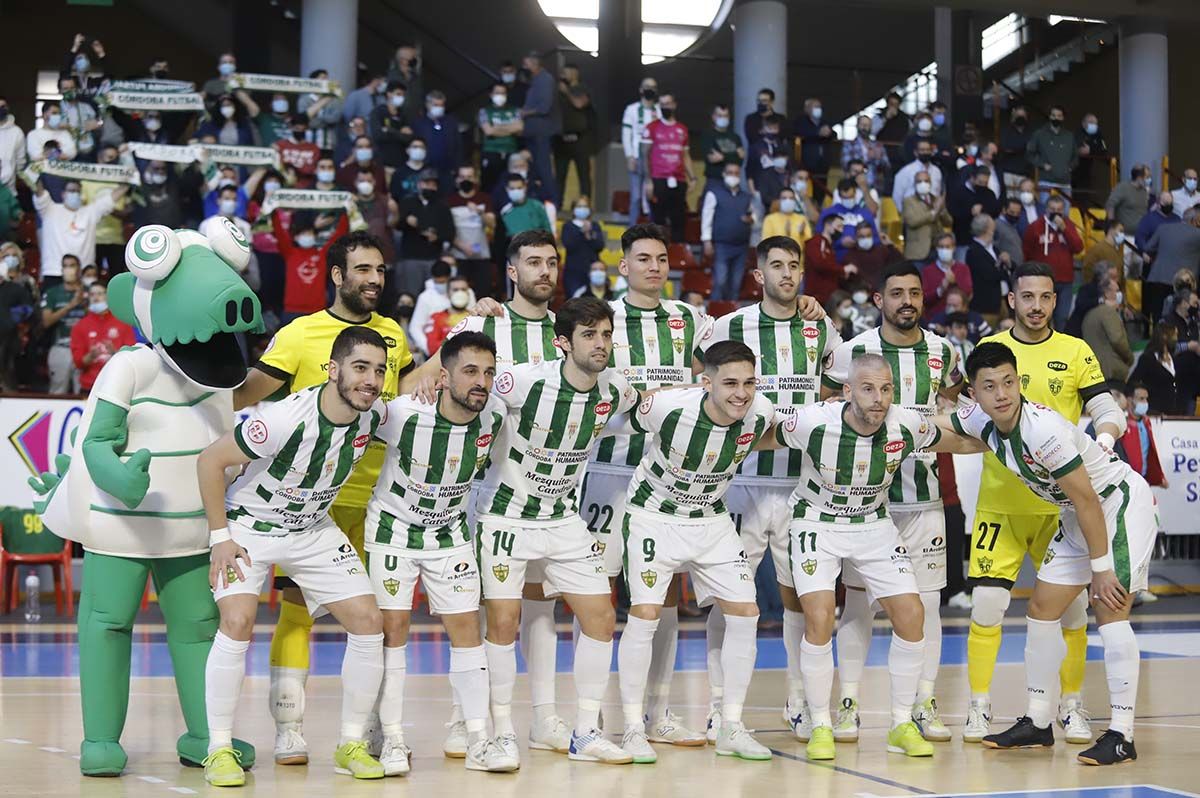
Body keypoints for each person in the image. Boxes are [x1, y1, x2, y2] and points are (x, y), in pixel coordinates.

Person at [231, 231, 432, 766]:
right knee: (297, 613)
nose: (374, 280)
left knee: (381, 618)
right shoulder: (300, 334)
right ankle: (289, 727)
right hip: (312, 505)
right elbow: (246, 393)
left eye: (381, 271)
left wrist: (470, 329)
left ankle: (371, 730)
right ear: (338, 276)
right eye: (362, 269)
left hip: (383, 500)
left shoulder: (392, 333)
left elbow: (415, 392)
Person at [197, 326, 390, 785]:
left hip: (312, 529)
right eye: (360, 367)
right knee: (238, 622)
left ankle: (350, 742)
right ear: (332, 369)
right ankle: (218, 748)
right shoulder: (283, 420)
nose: (371, 379)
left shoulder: (374, 414)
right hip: (250, 525)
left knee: (368, 622)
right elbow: (209, 461)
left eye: (379, 370)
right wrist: (220, 537)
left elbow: (426, 402)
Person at [949, 341, 1155, 766]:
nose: (1002, 393)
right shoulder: (984, 420)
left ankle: (1122, 734)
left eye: (1009, 382)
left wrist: (1100, 569)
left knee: (1109, 608)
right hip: (1078, 513)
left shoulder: (1043, 430)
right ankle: (1039, 722)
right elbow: (939, 421)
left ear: (1019, 383)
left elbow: (1088, 500)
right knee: (1042, 608)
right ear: (977, 392)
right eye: (990, 386)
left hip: (1115, 505)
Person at [766, 353, 975, 761]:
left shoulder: (907, 424)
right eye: (867, 388)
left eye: (885, 388)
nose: (878, 398)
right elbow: (759, 435)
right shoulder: (813, 421)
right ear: (846, 390)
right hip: (816, 523)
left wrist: (1007, 435)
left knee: (912, 614)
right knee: (821, 615)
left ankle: (899, 722)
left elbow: (957, 439)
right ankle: (821, 725)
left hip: (873, 523)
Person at [964, 261, 1127, 744]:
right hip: (1000, 503)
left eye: (1045, 297)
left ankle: (1071, 707)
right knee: (988, 604)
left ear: (1055, 301)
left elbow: (1105, 406)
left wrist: (1106, 437)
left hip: (1061, 508)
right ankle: (978, 707)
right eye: (1027, 297)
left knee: (1073, 613)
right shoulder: (991, 352)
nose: (1036, 306)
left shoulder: (1075, 350)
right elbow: (965, 418)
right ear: (1012, 299)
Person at [476, 296, 640, 767]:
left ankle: (585, 731)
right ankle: (503, 733)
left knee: (602, 617)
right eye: (589, 335)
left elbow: (646, 404)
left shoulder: (615, 388)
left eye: (607, 335)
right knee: (504, 623)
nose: (601, 344)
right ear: (563, 342)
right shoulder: (523, 381)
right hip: (506, 516)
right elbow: (468, 383)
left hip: (565, 519)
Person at [702, 236, 842, 745]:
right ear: (758, 274)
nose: (787, 274)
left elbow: (836, 385)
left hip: (802, 485)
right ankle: (720, 708)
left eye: (794, 265)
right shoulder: (729, 326)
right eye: (776, 266)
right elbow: (704, 382)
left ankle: (799, 701)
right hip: (739, 482)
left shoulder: (818, 324)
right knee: (728, 601)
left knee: (801, 598)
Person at [821, 261, 965, 748]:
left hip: (923, 501)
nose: (907, 300)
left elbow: (957, 406)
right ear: (878, 300)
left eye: (915, 293)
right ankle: (849, 704)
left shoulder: (943, 351)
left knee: (926, 607)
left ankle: (923, 701)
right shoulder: (852, 350)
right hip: (866, 505)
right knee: (858, 607)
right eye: (896, 292)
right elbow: (826, 411)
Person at [362, 330, 516, 774]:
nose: (481, 382)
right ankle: (390, 738)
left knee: (467, 632)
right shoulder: (403, 414)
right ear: (444, 376)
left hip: (450, 534)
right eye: (470, 371)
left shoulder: (494, 417)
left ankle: (479, 739)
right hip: (394, 530)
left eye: (488, 372)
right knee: (392, 634)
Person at [617, 342, 776, 763]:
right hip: (654, 515)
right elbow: (619, 417)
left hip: (711, 518)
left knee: (746, 614)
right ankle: (634, 727)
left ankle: (730, 726)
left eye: (748, 382)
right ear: (705, 383)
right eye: (729, 383)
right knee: (646, 614)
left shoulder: (761, 412)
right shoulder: (667, 407)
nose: (741, 393)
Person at [33, 177, 125, 284]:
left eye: (77, 191)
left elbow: (111, 198)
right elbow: (38, 190)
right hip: (54, 272)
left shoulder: (90, 212)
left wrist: (130, 181)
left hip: (84, 274)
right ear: (63, 194)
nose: (75, 194)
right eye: (71, 191)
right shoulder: (50, 210)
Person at [273, 208, 350, 322]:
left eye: (310, 233)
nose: (308, 236)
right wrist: (273, 212)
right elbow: (279, 232)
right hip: (292, 310)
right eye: (304, 233)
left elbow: (339, 235)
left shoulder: (322, 255)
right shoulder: (290, 253)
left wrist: (346, 212)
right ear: (295, 237)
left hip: (317, 311)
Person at [1022, 195, 1083, 330]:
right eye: (1052, 209)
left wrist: (1065, 229)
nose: (1056, 212)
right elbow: (1026, 253)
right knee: (1044, 317)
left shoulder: (1068, 225)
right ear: (1046, 209)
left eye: (1059, 209)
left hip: (1065, 280)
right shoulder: (1035, 227)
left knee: (1062, 318)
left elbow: (1079, 247)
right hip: (1043, 281)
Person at [395, 169, 454, 300]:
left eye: (433, 184)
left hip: (433, 258)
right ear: (419, 184)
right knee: (410, 296)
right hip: (411, 257)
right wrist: (406, 221)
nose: (430, 187)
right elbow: (397, 226)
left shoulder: (442, 207)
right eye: (427, 183)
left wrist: (437, 237)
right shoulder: (408, 202)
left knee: (434, 297)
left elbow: (450, 233)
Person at [70, 280, 136, 394]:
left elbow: (132, 358)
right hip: (89, 387)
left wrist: (115, 353)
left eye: (100, 294)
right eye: (92, 294)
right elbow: (78, 362)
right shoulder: (80, 326)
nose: (95, 298)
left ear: (108, 296)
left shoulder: (123, 323)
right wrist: (91, 356)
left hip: (116, 385)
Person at [702, 162, 756, 301]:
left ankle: (731, 318)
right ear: (724, 174)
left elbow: (755, 216)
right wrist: (707, 241)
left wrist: (751, 219)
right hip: (721, 245)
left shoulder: (746, 196)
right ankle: (714, 315)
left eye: (736, 173)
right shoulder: (714, 193)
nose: (733, 176)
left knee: (736, 285)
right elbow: (706, 218)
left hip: (741, 246)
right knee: (720, 282)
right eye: (730, 172)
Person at [644, 92, 692, 244]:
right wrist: (648, 181)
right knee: (658, 220)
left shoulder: (682, 129)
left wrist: (693, 177)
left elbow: (686, 155)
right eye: (662, 104)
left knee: (678, 219)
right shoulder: (652, 127)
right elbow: (644, 155)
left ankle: (677, 254)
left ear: (674, 105)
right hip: (658, 179)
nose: (666, 107)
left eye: (668, 103)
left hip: (678, 180)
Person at [446, 164, 496, 298]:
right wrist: (462, 246)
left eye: (469, 176)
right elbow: (446, 229)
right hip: (458, 256)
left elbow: (492, 224)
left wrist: (480, 212)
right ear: (456, 179)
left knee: (483, 294)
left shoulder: (484, 198)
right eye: (462, 177)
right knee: (459, 294)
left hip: (481, 255)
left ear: (475, 179)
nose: (465, 180)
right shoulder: (450, 200)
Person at [41, 254, 88, 393]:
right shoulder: (52, 293)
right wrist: (71, 305)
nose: (68, 269)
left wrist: (84, 304)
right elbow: (46, 321)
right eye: (65, 266)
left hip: (85, 350)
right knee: (57, 391)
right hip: (60, 347)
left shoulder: (89, 291)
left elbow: (97, 319)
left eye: (72, 265)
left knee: (84, 392)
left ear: (79, 269)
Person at [519, 51, 560, 207]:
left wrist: (524, 112)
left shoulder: (545, 79)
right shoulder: (535, 80)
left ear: (534, 63)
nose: (524, 67)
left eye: (526, 63)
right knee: (535, 168)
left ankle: (552, 202)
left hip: (542, 132)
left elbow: (544, 107)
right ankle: (536, 200)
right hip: (532, 132)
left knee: (544, 168)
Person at [1144, 210, 1200, 321]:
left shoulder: (1163, 228)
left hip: (1159, 277)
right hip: (1183, 282)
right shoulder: (1198, 234)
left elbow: (1148, 248)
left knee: (1158, 314)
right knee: (1181, 316)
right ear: (1194, 220)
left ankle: (1157, 336)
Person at [553, 63, 595, 203]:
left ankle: (585, 204)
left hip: (579, 140)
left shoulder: (582, 88)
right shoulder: (558, 90)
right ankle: (557, 205)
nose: (564, 75)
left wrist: (567, 92)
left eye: (567, 72)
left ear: (574, 73)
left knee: (583, 175)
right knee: (560, 176)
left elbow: (579, 103)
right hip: (561, 140)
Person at [620, 77, 660, 222]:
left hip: (654, 161)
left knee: (651, 196)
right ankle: (631, 231)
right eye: (647, 86)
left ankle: (652, 232)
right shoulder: (631, 109)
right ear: (641, 89)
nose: (650, 89)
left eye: (653, 87)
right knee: (636, 197)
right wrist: (629, 156)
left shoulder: (660, 111)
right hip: (637, 158)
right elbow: (626, 134)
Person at [1082, 278, 1133, 386]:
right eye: (1117, 290)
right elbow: (1117, 340)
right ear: (1107, 293)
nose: (1119, 294)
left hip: (1094, 372)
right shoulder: (1108, 312)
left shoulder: (1089, 315)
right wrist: (1129, 357)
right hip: (1111, 370)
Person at [817, 179, 879, 263]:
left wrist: (860, 242)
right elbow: (819, 239)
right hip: (837, 258)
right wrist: (840, 242)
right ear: (839, 195)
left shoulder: (865, 213)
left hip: (862, 258)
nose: (848, 200)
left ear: (855, 193)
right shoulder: (828, 213)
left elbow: (876, 239)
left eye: (851, 197)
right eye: (845, 198)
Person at [410, 91, 462, 191]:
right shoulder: (419, 123)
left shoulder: (451, 122)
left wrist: (457, 167)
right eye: (436, 105)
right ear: (427, 105)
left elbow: (458, 145)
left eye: (441, 105)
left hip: (447, 170)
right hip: (425, 169)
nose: (439, 107)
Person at [1025, 106, 1077, 203]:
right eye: (1053, 115)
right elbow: (1029, 154)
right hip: (1046, 180)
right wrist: (1042, 165)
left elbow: (1075, 157)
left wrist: (1069, 168)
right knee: (1045, 212)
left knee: (1065, 214)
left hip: (1065, 182)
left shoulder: (1069, 136)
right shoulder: (1039, 134)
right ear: (1049, 117)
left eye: (1059, 116)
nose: (1056, 118)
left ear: (1063, 118)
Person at [479, 81, 523, 192]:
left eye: (503, 93)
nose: (500, 96)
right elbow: (488, 131)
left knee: (510, 184)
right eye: (497, 93)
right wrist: (509, 128)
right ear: (491, 95)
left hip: (511, 152)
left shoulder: (515, 111)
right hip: (491, 152)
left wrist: (497, 128)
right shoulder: (484, 111)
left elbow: (519, 129)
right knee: (489, 185)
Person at [408, 257, 456, 357]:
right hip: (433, 349)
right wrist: (428, 348)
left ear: (449, 277)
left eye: (443, 282)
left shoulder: (462, 293)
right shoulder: (425, 297)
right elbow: (415, 327)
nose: (440, 285)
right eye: (437, 282)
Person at [964, 215, 1006, 328]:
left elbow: (1006, 270)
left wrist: (1006, 264)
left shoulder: (994, 248)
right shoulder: (973, 251)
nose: (994, 229)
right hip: (985, 306)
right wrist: (1002, 268)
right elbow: (990, 275)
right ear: (986, 229)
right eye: (992, 227)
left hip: (1001, 302)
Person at [561, 195, 605, 299]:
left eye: (585, 206)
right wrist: (581, 232)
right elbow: (569, 244)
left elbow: (600, 246)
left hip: (591, 271)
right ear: (573, 209)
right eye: (579, 206)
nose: (582, 209)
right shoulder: (568, 226)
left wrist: (589, 235)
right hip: (573, 273)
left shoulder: (595, 226)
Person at [901, 170, 951, 261]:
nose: (923, 184)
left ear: (930, 183)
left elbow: (949, 222)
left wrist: (942, 210)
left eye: (926, 181)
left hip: (937, 249)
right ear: (914, 184)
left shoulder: (936, 199)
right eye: (919, 181)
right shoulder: (908, 201)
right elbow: (912, 221)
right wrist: (934, 212)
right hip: (919, 252)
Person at [794, 98, 836, 205]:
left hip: (823, 163)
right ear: (807, 109)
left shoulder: (825, 121)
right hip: (807, 162)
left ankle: (819, 206)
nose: (818, 109)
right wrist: (817, 133)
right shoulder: (801, 121)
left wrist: (829, 133)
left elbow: (834, 134)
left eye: (819, 107)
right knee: (807, 188)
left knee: (821, 189)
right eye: (815, 107)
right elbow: (800, 132)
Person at [1129, 325, 1180, 414]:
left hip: (1174, 411)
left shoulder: (1174, 358)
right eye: (1174, 335)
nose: (1176, 339)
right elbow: (1133, 381)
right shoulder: (1148, 359)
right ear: (1164, 337)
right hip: (1155, 411)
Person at [923, 232, 974, 320]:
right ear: (936, 249)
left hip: (959, 320)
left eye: (947, 247)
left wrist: (954, 283)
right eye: (941, 247)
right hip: (934, 320)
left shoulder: (963, 269)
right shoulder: (927, 271)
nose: (944, 250)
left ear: (954, 248)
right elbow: (924, 299)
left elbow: (968, 294)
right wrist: (940, 290)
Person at [746, 114, 791, 211]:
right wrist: (752, 190)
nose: (772, 131)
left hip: (778, 187)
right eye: (769, 128)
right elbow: (749, 169)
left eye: (775, 128)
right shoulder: (755, 147)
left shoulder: (781, 145)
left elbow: (788, 167)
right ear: (763, 129)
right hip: (759, 187)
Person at [840, 222, 900, 292]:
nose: (865, 239)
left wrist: (890, 245)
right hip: (863, 294)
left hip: (883, 291)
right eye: (862, 236)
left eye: (868, 236)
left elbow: (900, 264)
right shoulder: (849, 256)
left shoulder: (882, 250)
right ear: (856, 237)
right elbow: (846, 282)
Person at [803, 215, 850, 304]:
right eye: (839, 226)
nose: (841, 230)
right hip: (816, 297)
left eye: (842, 227)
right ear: (828, 225)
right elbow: (820, 264)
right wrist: (843, 269)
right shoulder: (817, 242)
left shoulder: (830, 246)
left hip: (828, 296)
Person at [840, 115, 891, 196]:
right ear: (857, 126)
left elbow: (887, 166)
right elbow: (845, 164)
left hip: (875, 188)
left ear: (871, 127)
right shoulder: (849, 144)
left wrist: (878, 159)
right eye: (862, 124)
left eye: (867, 125)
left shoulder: (878, 145)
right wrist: (867, 159)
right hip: (854, 187)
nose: (864, 127)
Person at [700, 104, 745, 194]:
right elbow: (712, 159)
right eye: (719, 115)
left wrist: (723, 156)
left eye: (725, 116)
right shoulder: (707, 135)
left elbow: (740, 160)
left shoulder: (735, 137)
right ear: (713, 117)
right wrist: (734, 155)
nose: (723, 118)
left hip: (733, 180)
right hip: (715, 180)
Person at [370, 82, 413, 170]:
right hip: (383, 162)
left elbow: (409, 138)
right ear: (389, 94)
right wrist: (400, 133)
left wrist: (389, 130)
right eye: (398, 94)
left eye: (403, 95)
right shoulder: (378, 112)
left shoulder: (404, 115)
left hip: (401, 162)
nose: (401, 97)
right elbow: (378, 135)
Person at [498, 175, 552, 244]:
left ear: (525, 187)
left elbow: (547, 231)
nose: (516, 191)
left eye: (519, 188)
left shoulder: (537, 206)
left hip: (538, 247)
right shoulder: (505, 212)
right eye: (512, 188)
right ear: (506, 189)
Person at [297, 70, 342, 154]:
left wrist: (316, 116)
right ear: (313, 81)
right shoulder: (304, 100)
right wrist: (325, 119)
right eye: (322, 78)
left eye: (326, 79)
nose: (326, 81)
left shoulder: (333, 99)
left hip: (329, 144)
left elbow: (335, 119)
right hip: (308, 142)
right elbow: (304, 121)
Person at [929, 286, 993, 343]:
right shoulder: (938, 319)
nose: (951, 309)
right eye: (949, 305)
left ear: (964, 307)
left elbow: (990, 338)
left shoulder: (976, 319)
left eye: (955, 306)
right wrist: (941, 334)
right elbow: (929, 340)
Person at [1105, 165, 1152, 236]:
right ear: (1139, 178)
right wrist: (1112, 224)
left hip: (1140, 236)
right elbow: (1110, 204)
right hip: (1124, 236)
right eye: (1147, 177)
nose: (1149, 180)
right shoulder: (1123, 187)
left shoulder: (1144, 191)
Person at [1072, 113, 1108, 201]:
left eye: (1095, 123)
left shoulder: (1097, 134)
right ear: (1083, 123)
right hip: (1074, 171)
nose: (1094, 125)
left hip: (1088, 173)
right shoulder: (1077, 134)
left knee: (1084, 197)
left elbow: (1104, 150)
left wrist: (1090, 150)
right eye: (1091, 122)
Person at [1082, 220, 1128, 285]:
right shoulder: (1097, 249)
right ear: (1111, 230)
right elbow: (1087, 270)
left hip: (1115, 291)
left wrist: (1122, 293)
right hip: (1100, 291)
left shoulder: (1118, 252)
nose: (1123, 234)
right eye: (1120, 231)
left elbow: (1121, 275)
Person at [998, 105, 1033, 189]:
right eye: (1018, 116)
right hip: (1009, 172)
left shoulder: (1030, 133)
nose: (1020, 118)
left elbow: (1032, 149)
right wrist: (1024, 146)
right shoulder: (1006, 131)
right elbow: (1006, 147)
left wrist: (1017, 148)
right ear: (1014, 117)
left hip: (1024, 173)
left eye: (1022, 116)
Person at [0, 95, 25, 194]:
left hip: (9, 190)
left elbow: (20, 160)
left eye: (3, 107)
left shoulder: (17, 132)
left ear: (8, 108)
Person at [995, 197, 1026, 269]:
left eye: (1018, 213)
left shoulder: (1014, 226)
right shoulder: (996, 225)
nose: (1015, 215)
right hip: (1006, 268)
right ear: (1004, 210)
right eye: (1012, 212)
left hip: (1016, 268)